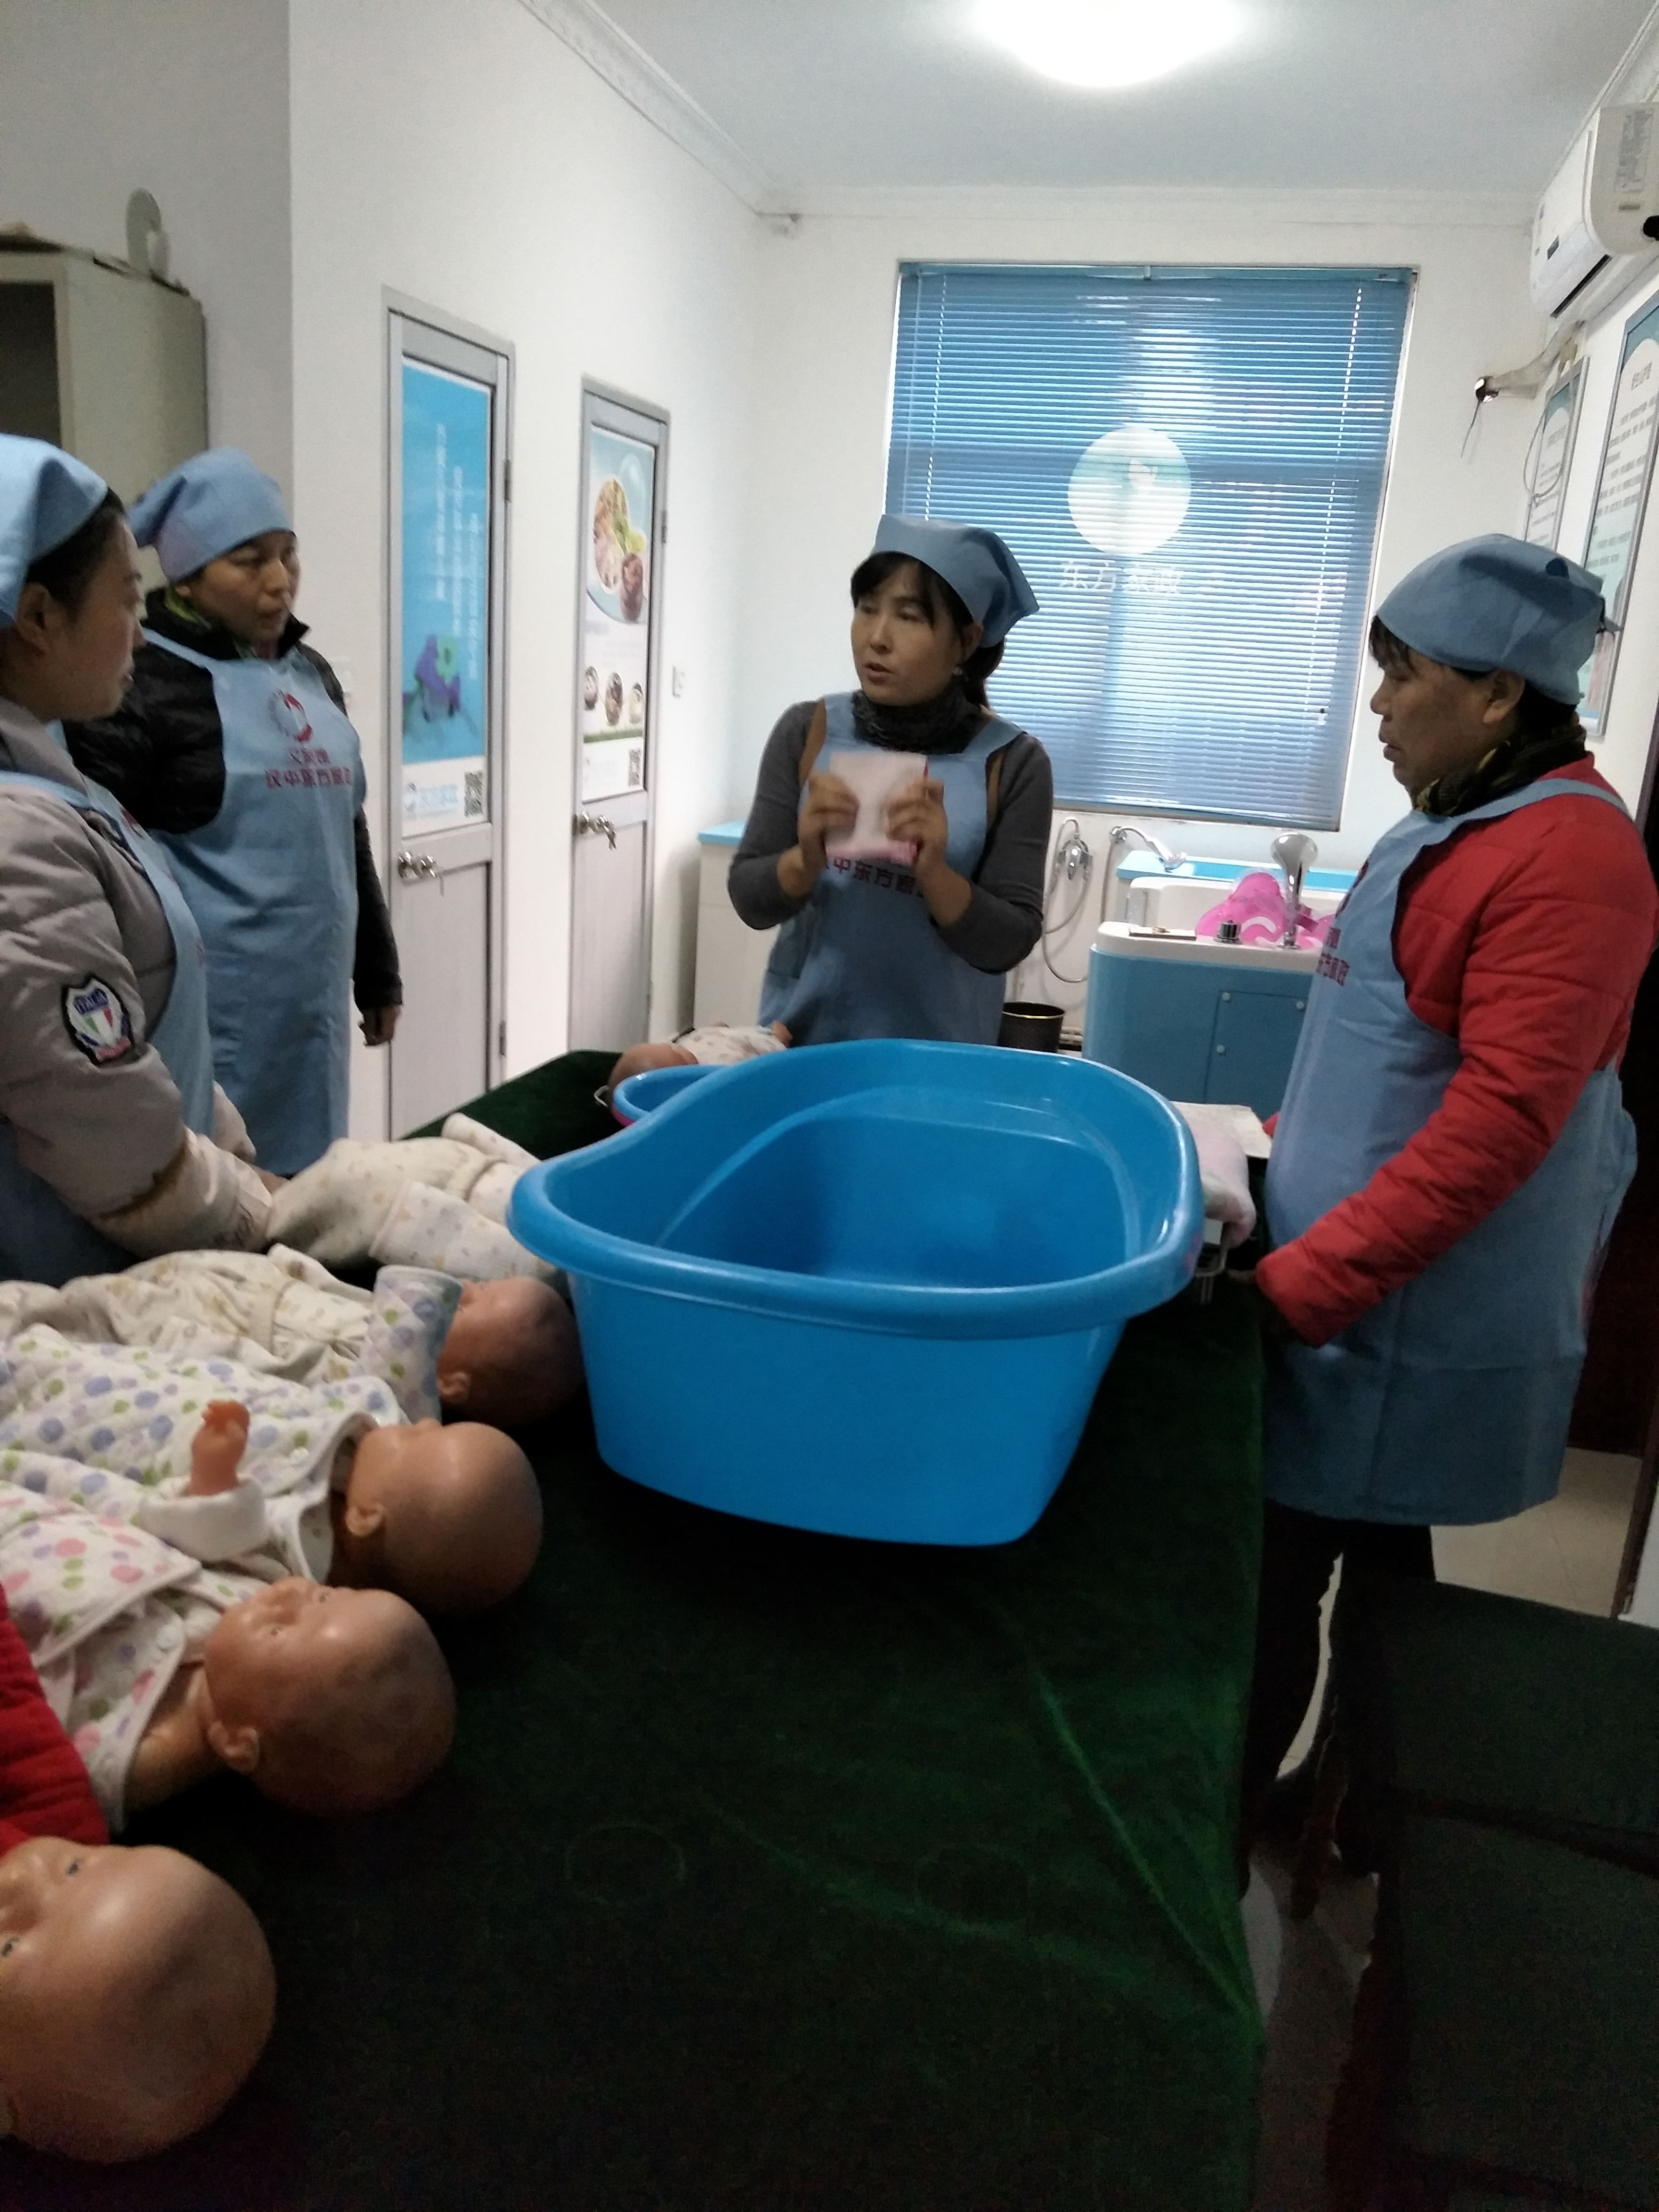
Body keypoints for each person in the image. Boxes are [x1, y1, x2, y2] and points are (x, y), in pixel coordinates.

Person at [1240, 535, 1659, 1860]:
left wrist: (1311, 1279)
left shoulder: (1570, 859)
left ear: (1495, 693)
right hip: (1349, 1277)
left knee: (1294, 1574)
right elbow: (1384, 1052)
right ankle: (1360, 1811)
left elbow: (1496, 1126)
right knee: (1366, 1569)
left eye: (1402, 675)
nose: (1376, 704)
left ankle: (1244, 1820)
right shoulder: (1457, 816)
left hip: (1399, 1309)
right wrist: (1270, 1157)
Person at [64, 447, 400, 1174]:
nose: (280, 581)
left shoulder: (310, 674)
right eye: (249, 562)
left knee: (310, 1180)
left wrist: (377, 970)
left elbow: (347, 829)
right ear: (187, 577)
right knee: (224, 1182)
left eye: (287, 554)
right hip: (209, 1014)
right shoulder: (138, 685)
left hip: (309, 1009)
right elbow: (95, 865)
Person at [0, 436, 274, 1288]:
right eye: (127, 599)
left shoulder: (53, 782)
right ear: (39, 617)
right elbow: (111, 1145)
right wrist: (261, 1214)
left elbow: (139, 1028)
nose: (142, 634)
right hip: (82, 1290)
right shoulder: (16, 837)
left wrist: (229, 1151)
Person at [0, 1452, 456, 1829]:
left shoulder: (140, 1756)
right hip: (52, 1511)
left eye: (279, 1631)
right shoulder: (245, 1607)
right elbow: (223, 1544)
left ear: (238, 1744)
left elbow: (32, 1759)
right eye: (326, 1595)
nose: (288, 1592)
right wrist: (214, 1490)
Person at [730, 515, 1052, 1045]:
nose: (876, 638)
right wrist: (805, 859)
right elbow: (750, 900)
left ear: (966, 641)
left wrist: (935, 873)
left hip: (937, 1060)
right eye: (867, 608)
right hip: (803, 1047)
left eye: (908, 616)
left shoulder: (1013, 763)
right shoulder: (807, 731)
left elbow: (1009, 942)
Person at [0, 1324, 544, 1615]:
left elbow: (218, 1538)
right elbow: (396, 1372)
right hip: (155, 1382)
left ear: (366, 1517)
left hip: (123, 1435)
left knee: (47, 1400)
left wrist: (214, 1476)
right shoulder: (371, 1455)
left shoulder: (303, 1548)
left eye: (421, 1439)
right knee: (59, 1361)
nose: (423, 1423)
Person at [0, 1595, 276, 2162]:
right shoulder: (61, 1824)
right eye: (75, 1868)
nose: (27, 1877)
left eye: (8, 1946)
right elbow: (13, 1709)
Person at [0, 1246, 581, 1429]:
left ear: (452, 1384)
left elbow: (259, 1378)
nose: (465, 1287)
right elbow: (326, 1284)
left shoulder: (376, 1394)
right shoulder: (384, 1318)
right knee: (84, 1296)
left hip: (196, 1327)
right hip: (224, 1282)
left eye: (476, 1301)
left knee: (61, 1321)